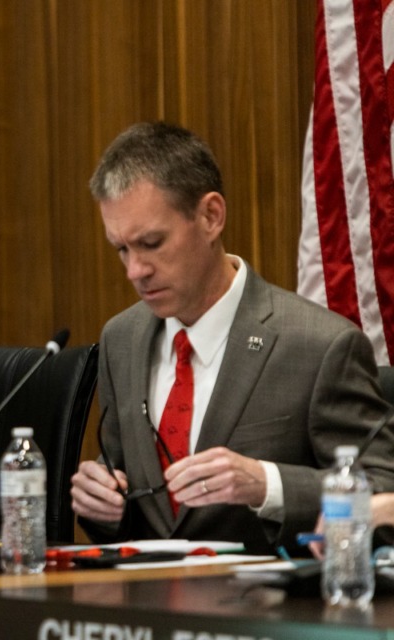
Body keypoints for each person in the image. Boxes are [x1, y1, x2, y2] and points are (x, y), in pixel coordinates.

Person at [69, 121, 394, 554]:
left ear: (211, 216)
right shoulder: (120, 339)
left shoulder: (319, 345)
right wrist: (100, 502)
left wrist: (267, 485)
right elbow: (133, 499)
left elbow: (382, 490)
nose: (135, 271)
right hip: (141, 607)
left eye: (152, 243)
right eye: (122, 249)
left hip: (264, 607)